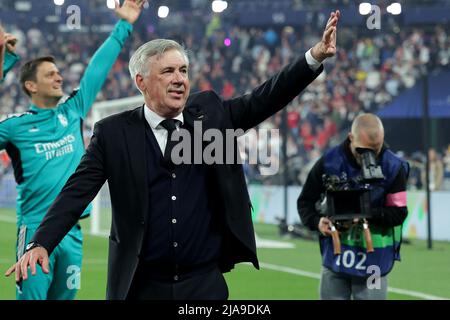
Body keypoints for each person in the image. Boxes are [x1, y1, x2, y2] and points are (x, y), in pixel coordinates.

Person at [7, 10, 341, 300]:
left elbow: (264, 98)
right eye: (168, 71)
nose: (179, 79)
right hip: (141, 284)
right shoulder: (113, 133)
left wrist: (313, 57)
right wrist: (41, 242)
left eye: (183, 70)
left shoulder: (209, 113)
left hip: (203, 283)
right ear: (141, 81)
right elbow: (76, 192)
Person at [1, 0, 145, 300]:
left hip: (71, 233)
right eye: (51, 74)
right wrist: (3, 67)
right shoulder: (13, 127)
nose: (60, 77)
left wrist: (124, 25)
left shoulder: (73, 111)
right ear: (31, 86)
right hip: (34, 230)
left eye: (58, 73)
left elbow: (96, 70)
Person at [297, 113, 409, 300]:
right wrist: (317, 222)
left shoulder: (393, 167)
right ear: (351, 137)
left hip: (374, 262)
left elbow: (399, 213)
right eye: (363, 150)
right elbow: (305, 201)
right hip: (336, 258)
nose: (370, 156)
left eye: (376, 149)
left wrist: (367, 214)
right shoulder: (329, 162)